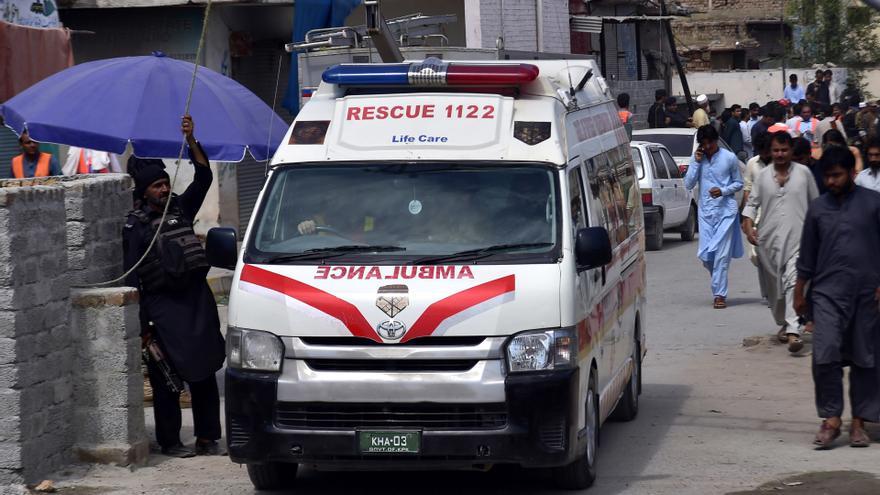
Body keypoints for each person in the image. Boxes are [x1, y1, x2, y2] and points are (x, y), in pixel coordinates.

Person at [123, 115, 225, 458]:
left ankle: (208, 437)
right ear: (143, 191)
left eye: (165, 183)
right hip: (163, 309)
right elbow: (130, 275)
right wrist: (142, 325)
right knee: (167, 377)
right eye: (157, 186)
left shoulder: (180, 206)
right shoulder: (134, 226)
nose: (164, 189)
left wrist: (191, 139)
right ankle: (169, 441)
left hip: (196, 302)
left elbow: (205, 175)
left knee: (205, 370)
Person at [794, 145, 880, 448]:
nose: (831, 181)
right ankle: (831, 419)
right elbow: (807, 254)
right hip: (827, 295)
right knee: (825, 354)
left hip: (868, 295)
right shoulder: (818, 208)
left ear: (852, 173)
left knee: (865, 358)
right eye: (827, 176)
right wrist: (799, 291)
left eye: (837, 175)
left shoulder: (873, 203)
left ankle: (859, 422)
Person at [742, 132, 819, 354]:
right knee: (775, 291)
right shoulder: (763, 176)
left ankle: (794, 331)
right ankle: (785, 323)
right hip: (768, 241)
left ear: (791, 151)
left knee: (795, 283)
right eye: (776, 150)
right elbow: (752, 204)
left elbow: (816, 206)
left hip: (800, 240)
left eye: (784, 150)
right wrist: (748, 226)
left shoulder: (804, 174)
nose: (780, 154)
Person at [684, 125, 744, 309]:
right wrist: (695, 162)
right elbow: (688, 183)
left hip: (726, 212)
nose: (708, 147)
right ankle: (718, 283)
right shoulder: (698, 159)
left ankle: (719, 294)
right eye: (704, 144)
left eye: (710, 143)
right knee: (707, 257)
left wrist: (724, 191)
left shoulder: (729, 158)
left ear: (716, 141)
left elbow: (739, 183)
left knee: (721, 257)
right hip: (706, 213)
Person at [742, 131, 773, 304]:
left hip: (776, 214)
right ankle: (768, 291)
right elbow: (747, 190)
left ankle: (777, 291)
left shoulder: (781, 163)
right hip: (758, 215)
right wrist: (747, 218)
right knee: (758, 256)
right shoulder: (752, 164)